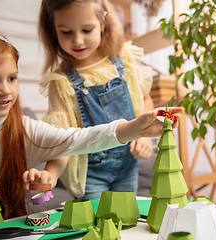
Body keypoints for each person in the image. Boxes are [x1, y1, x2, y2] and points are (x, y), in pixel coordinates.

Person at [0, 18, 183, 227]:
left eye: (12, 78)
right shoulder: (61, 82)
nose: (5, 90)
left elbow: (77, 138)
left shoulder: (23, 129)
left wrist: (136, 128)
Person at [38, 0, 156, 199]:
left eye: (86, 29)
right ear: (53, 29)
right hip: (90, 175)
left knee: (127, 221)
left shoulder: (124, 59)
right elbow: (63, 140)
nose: (78, 41)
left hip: (128, 167)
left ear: (102, 23)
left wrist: (144, 136)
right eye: (66, 32)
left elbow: (146, 100)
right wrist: (50, 174)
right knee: (98, 225)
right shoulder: (62, 82)